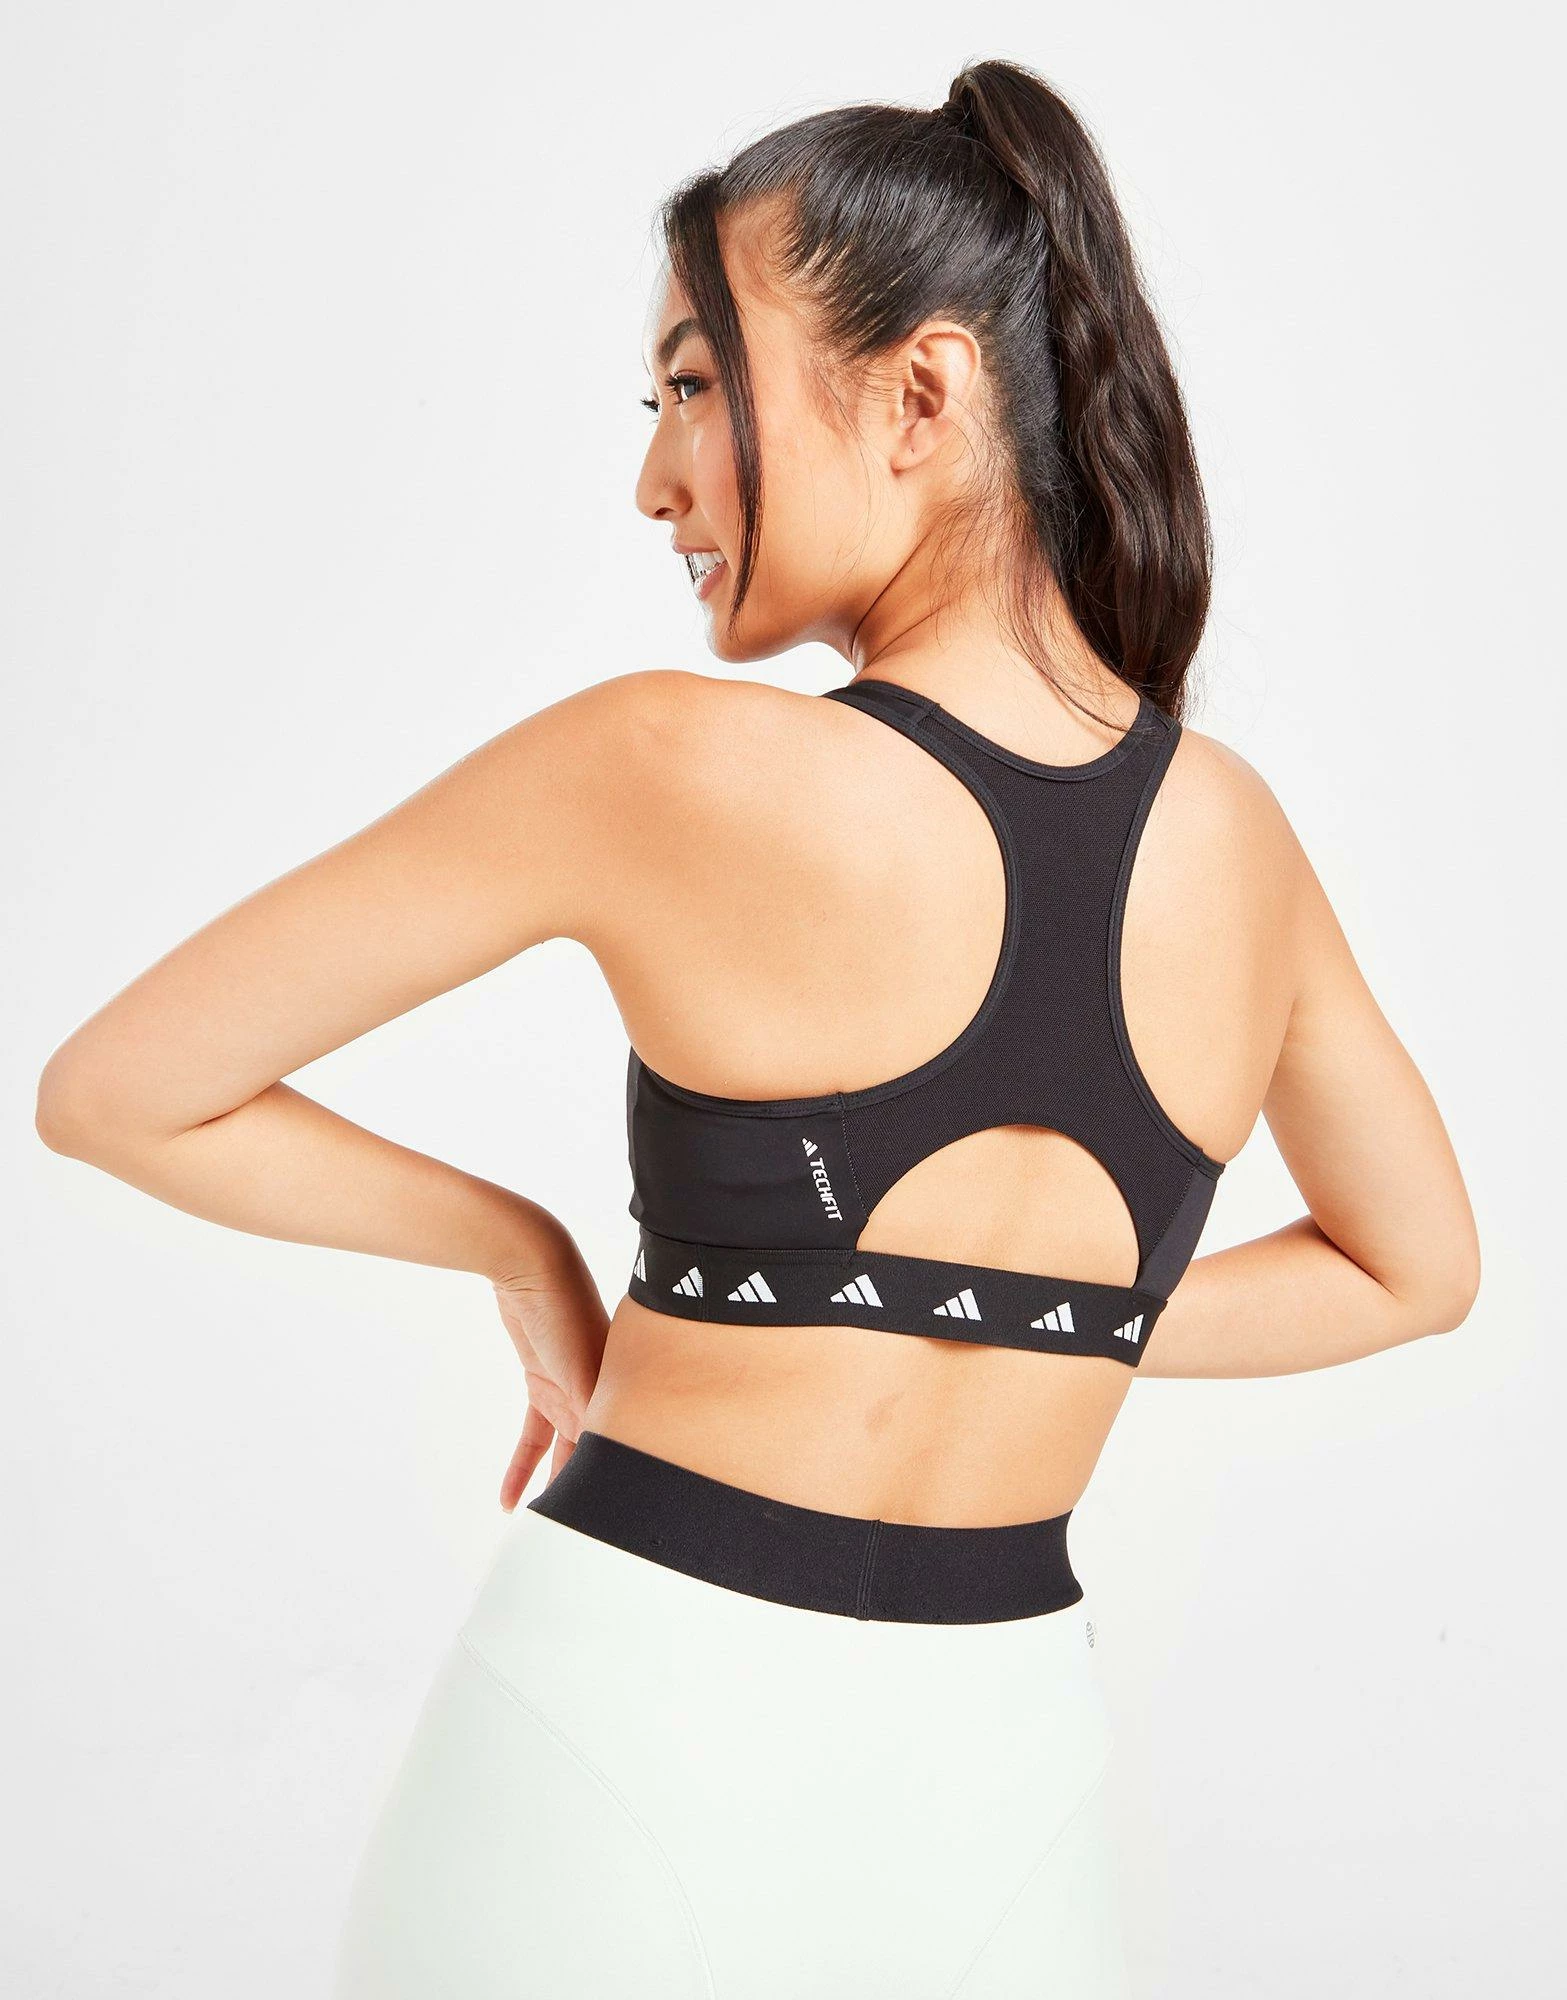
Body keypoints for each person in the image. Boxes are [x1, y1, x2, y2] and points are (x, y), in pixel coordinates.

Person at [35, 56, 1480, 2000]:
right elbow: (1415, 1267)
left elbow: (118, 1088)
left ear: (920, 396)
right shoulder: (1238, 842)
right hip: (1008, 1788)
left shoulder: (660, 764)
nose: (656, 478)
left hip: (620, 1730)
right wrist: (1065, 1314)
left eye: (697, 384)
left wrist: (519, 1246)